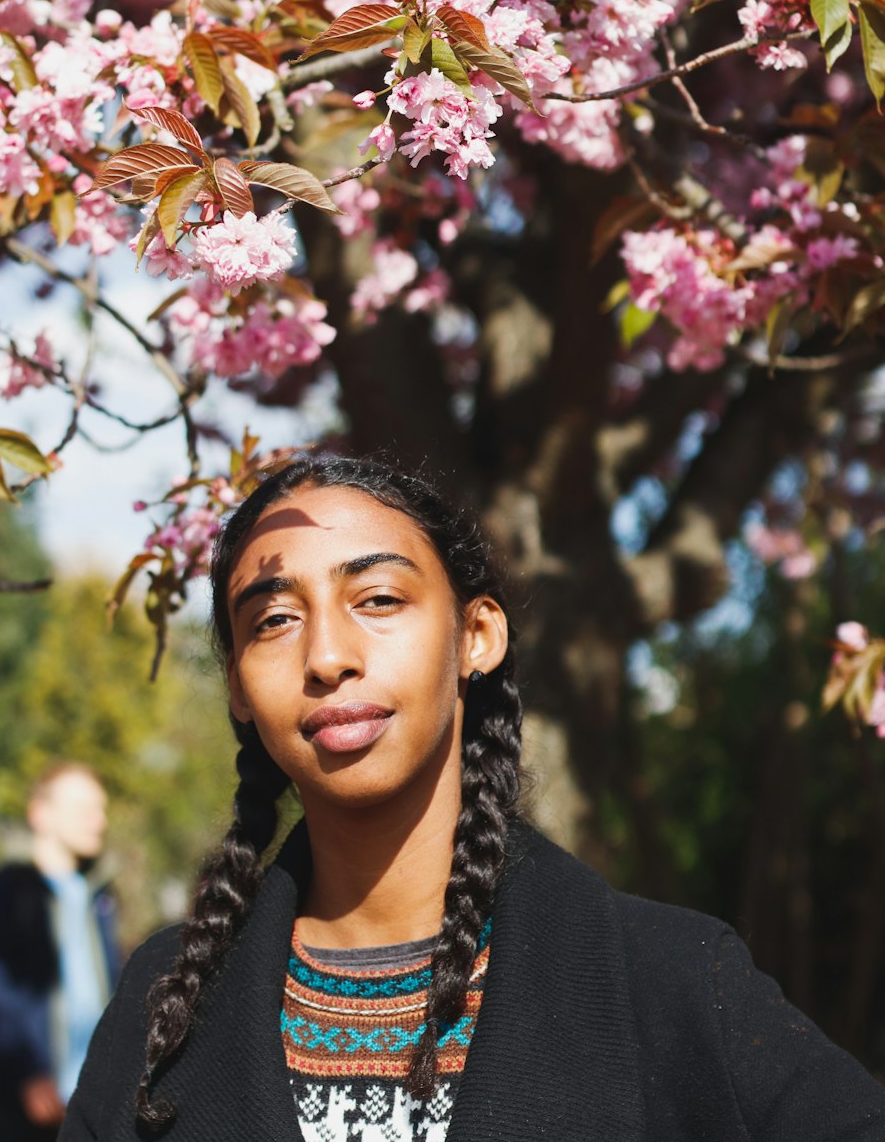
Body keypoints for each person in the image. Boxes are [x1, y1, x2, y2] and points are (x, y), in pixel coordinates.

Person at [62, 455, 885, 1141]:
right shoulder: (163, 1003)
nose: (327, 656)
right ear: (238, 686)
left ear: (476, 637)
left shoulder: (667, 980)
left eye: (378, 599)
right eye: (273, 620)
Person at [0, 762, 120, 1142]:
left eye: (101, 810)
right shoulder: (6, 892)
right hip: (21, 1103)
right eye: (84, 810)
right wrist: (25, 1072)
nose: (98, 821)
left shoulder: (99, 896)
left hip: (89, 1103)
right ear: (41, 814)